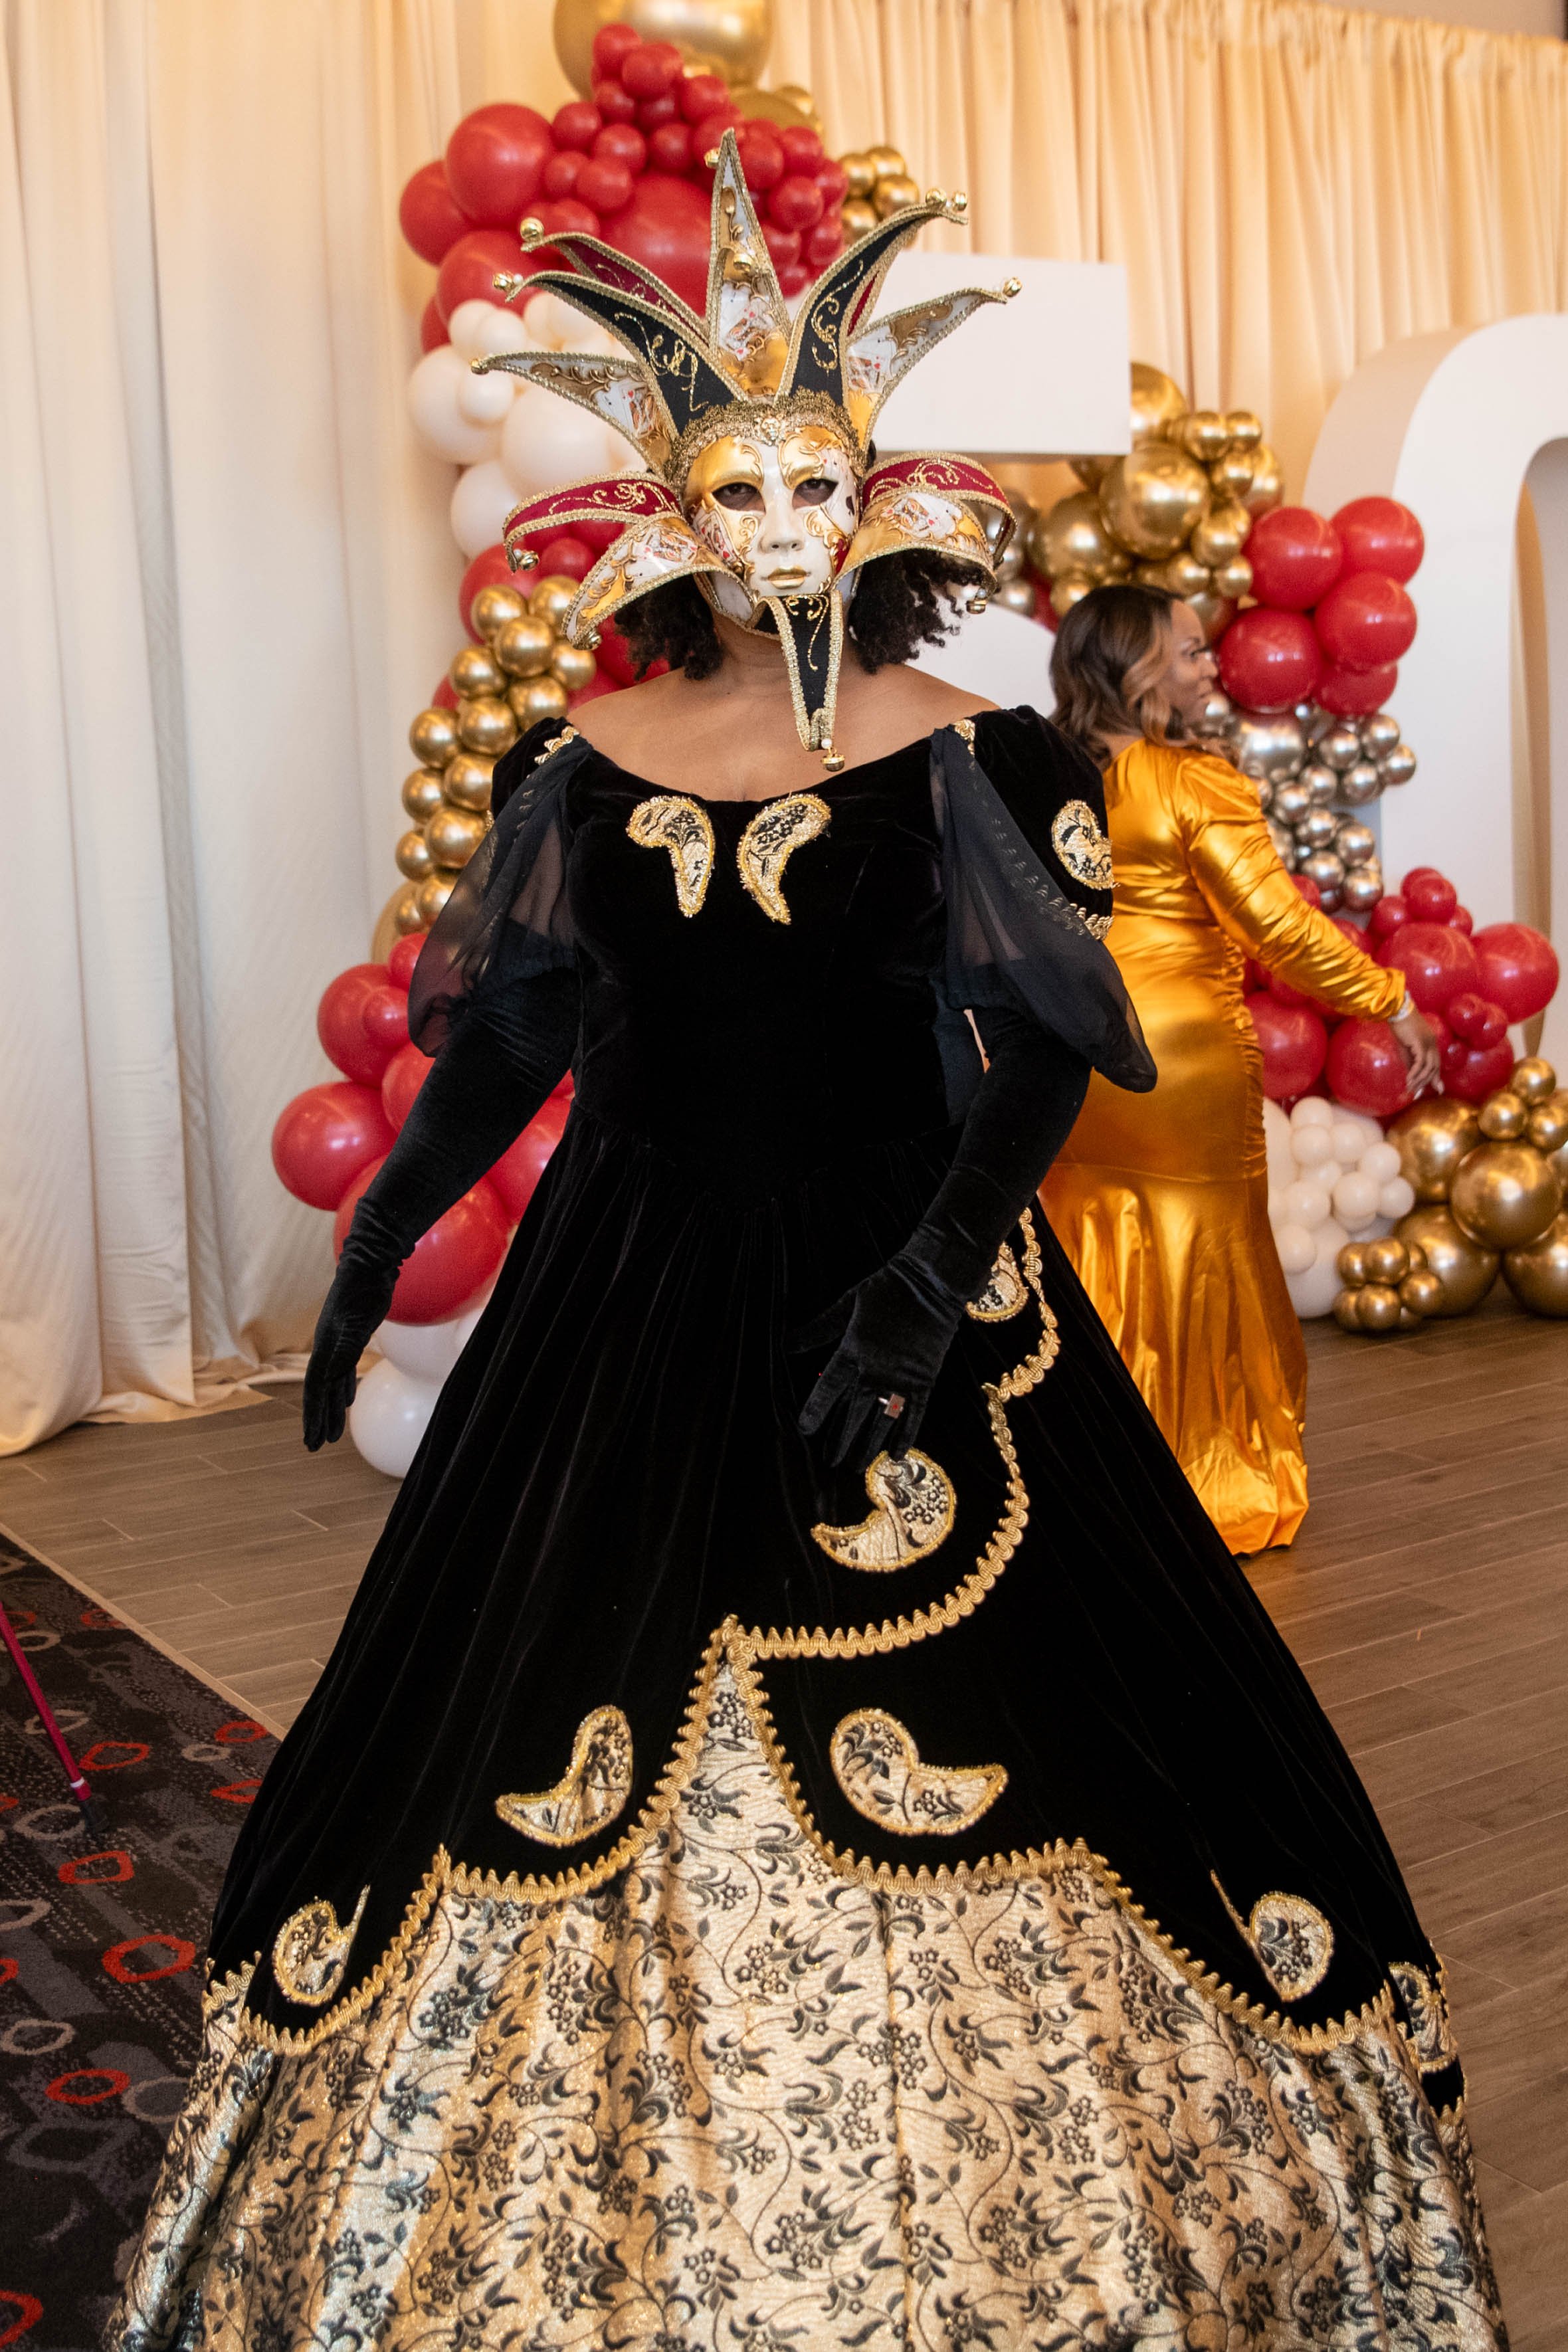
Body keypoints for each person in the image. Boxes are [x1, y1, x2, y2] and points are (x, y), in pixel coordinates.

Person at [111, 149, 1500, 2351]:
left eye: (813, 483)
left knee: (1037, 1709)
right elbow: (531, 1025)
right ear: (672, 508)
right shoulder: (583, 757)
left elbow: (1045, 1051)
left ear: (872, 499)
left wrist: (936, 1269)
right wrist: (385, 1219)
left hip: (889, 1264)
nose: (776, 525)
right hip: (625, 1280)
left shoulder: (979, 754)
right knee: (524, 1689)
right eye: (733, 488)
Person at [1042, 586, 1438, 1555]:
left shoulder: (1041, 773)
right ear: (1136, 670)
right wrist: (1388, 998)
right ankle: (1206, 1478)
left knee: (1084, 1251)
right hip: (1177, 1061)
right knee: (1202, 1251)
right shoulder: (1192, 781)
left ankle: (1082, 1479)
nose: (1210, 665)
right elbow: (1281, 930)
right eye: (1186, 651)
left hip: (1068, 1052)